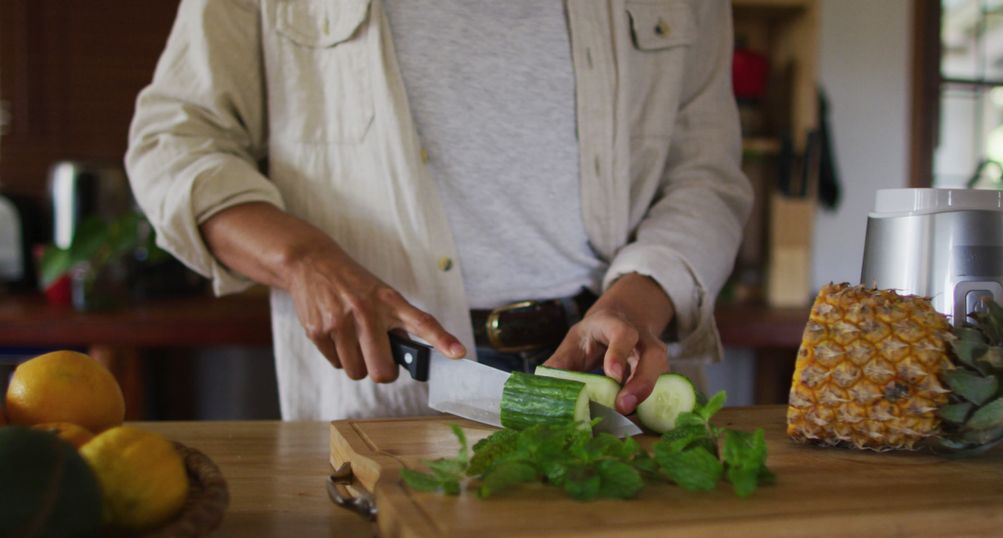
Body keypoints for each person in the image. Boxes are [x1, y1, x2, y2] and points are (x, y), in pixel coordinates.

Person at [125, 0, 752, 421]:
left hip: (610, 380)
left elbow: (706, 174)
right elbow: (174, 144)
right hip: (389, 383)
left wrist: (634, 303)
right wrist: (302, 261)